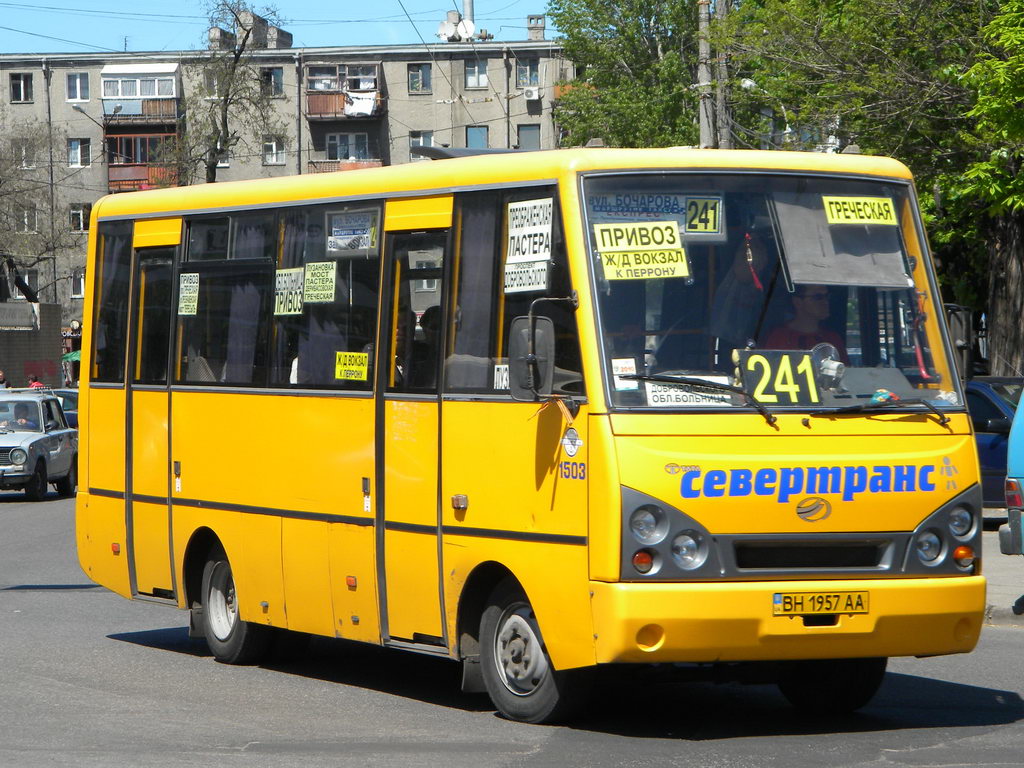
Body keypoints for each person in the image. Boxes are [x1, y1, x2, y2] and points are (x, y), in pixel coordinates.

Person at [764, 284, 849, 360]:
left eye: (827, 296)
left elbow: (846, 373)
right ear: (798, 302)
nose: (825, 302)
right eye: (818, 297)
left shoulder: (833, 339)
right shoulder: (779, 337)